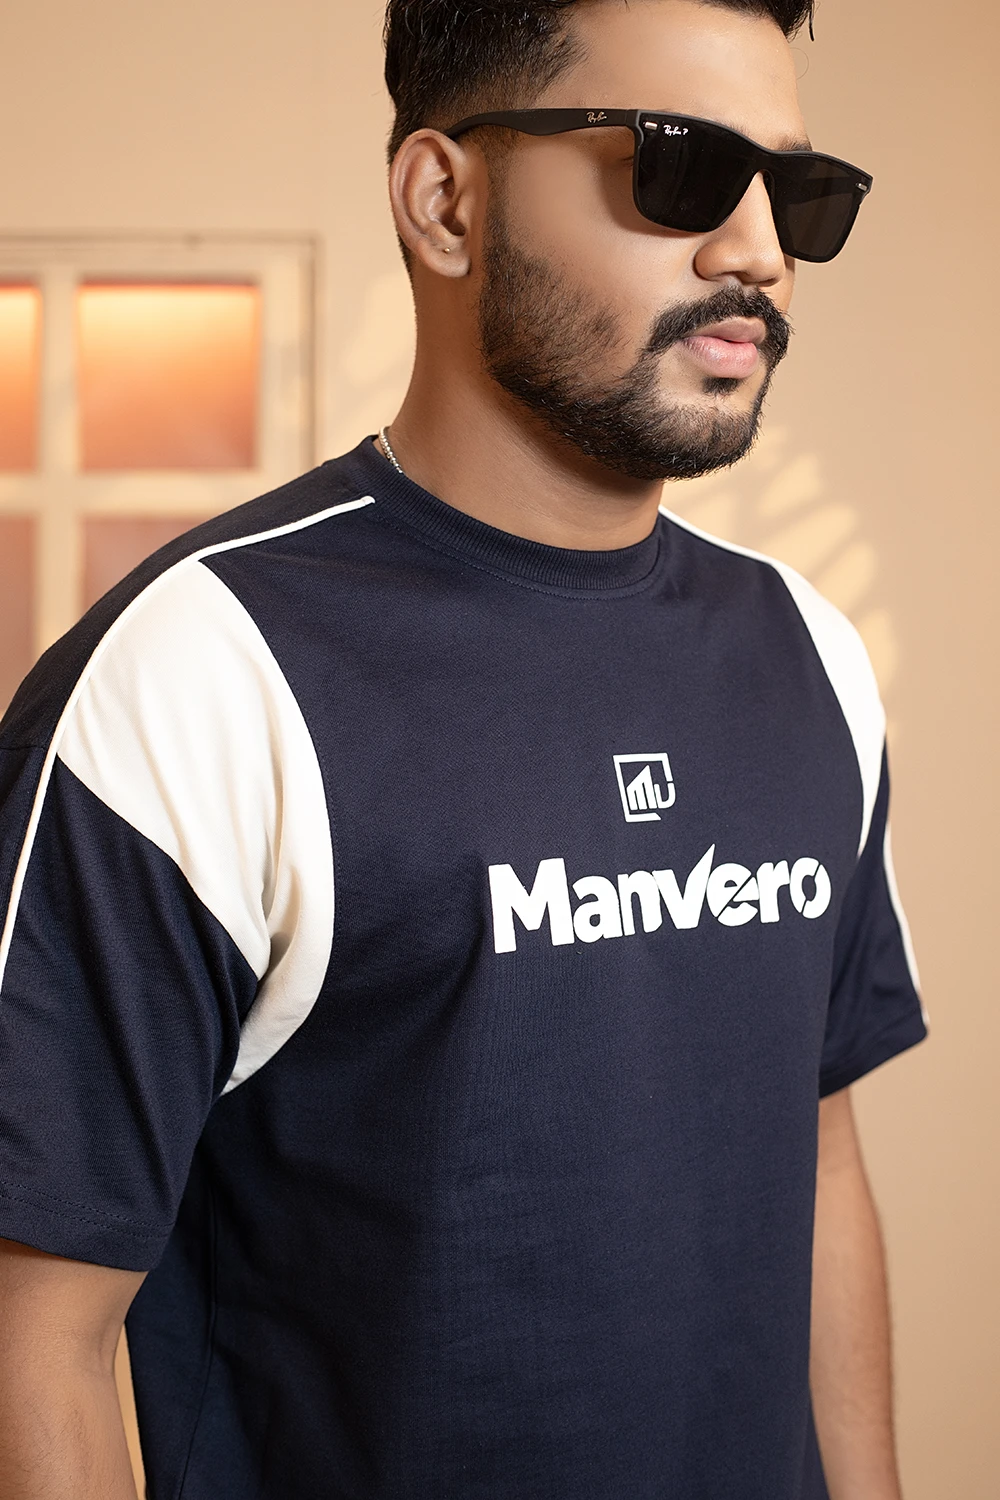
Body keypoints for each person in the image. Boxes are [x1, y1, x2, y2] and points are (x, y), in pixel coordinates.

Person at [0, 1, 927, 1496]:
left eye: (797, 191)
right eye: (682, 169)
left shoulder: (808, 655)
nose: (758, 249)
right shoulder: (194, 678)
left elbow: (816, 1159)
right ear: (446, 201)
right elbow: (33, 1334)